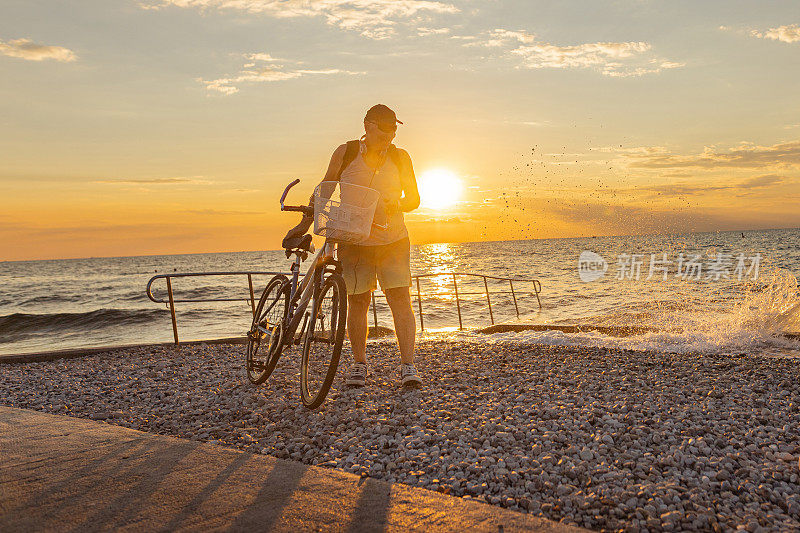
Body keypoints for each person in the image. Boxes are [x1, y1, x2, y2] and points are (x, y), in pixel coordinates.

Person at [283, 104, 422, 388]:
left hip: (392, 238)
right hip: (354, 239)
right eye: (385, 132)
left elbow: (415, 199)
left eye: (394, 131)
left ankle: (408, 365)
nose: (390, 138)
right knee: (358, 301)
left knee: (400, 299)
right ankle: (360, 364)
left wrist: (397, 203)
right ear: (368, 125)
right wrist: (304, 224)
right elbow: (325, 189)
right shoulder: (345, 152)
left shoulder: (400, 157)